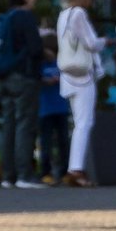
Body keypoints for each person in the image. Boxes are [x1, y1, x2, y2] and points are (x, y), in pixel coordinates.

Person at [0, 0, 46, 190]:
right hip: (25, 77)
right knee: (26, 124)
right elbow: (35, 49)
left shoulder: (7, 18)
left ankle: (8, 175)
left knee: (9, 125)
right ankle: (25, 174)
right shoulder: (26, 17)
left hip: (6, 76)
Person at [56, 0, 104, 187]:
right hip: (83, 75)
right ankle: (76, 169)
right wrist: (106, 41)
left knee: (78, 122)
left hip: (68, 74)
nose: (91, 3)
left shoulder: (63, 14)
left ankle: (74, 168)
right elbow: (92, 43)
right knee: (84, 123)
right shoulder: (79, 14)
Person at [37, 29, 71, 185]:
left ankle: (64, 171)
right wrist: (45, 81)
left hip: (61, 107)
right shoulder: (39, 64)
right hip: (45, 109)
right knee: (46, 143)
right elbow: (36, 80)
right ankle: (46, 172)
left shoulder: (62, 62)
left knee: (64, 141)